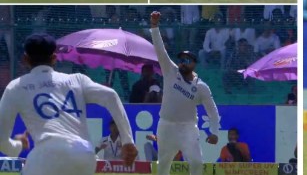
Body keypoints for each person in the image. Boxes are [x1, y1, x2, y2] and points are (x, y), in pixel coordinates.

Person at [0, 34, 137, 175]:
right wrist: (127, 141)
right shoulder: (77, 80)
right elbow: (111, 95)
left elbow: (1, 140)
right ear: (54, 58)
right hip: (84, 155)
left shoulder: (16, 87)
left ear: (25, 59)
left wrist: (18, 146)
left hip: (46, 156)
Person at [150, 11, 220, 175]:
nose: (183, 63)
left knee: (196, 162)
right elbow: (160, 51)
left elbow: (213, 112)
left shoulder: (201, 87)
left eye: (187, 60)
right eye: (181, 59)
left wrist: (215, 132)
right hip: (166, 125)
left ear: (194, 64)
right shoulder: (170, 71)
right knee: (163, 166)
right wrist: (154, 27)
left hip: (188, 128)